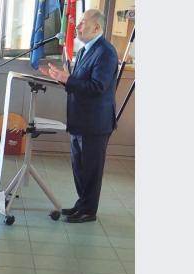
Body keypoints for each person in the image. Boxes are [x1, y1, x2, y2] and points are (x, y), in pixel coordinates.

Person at [39, 9, 118, 224]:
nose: (78, 26)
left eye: (83, 22)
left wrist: (69, 79)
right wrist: (62, 78)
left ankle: (89, 211)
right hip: (79, 119)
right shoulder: (85, 50)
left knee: (91, 169)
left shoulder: (106, 52)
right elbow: (79, 83)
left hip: (95, 123)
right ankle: (81, 204)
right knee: (79, 167)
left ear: (97, 28)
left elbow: (97, 87)